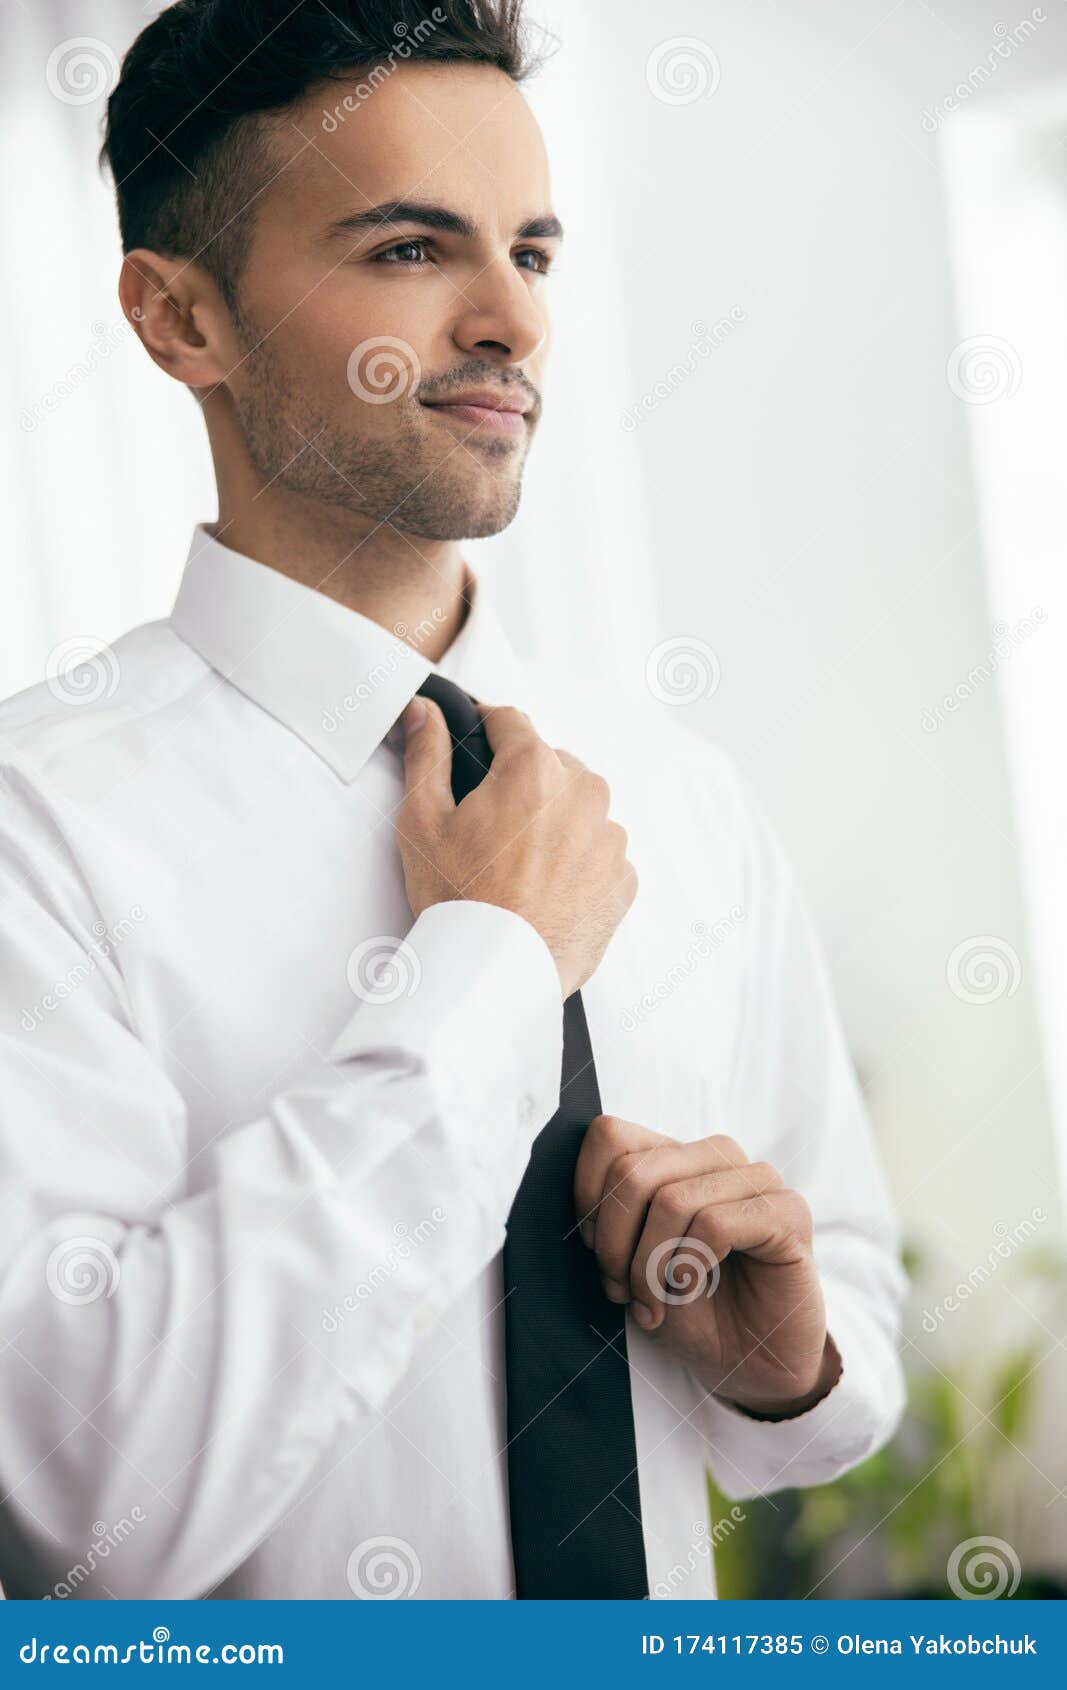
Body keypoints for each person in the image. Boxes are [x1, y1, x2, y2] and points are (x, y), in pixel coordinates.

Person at [0, 0, 904, 1600]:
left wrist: (790, 1362)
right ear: (180, 317)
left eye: (535, 253)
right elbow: (81, 1506)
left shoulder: (674, 790)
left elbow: (850, 1330)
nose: (512, 321)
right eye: (414, 249)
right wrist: (488, 965)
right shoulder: (36, 831)